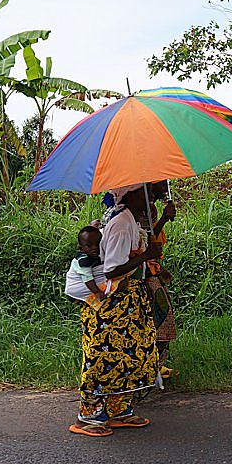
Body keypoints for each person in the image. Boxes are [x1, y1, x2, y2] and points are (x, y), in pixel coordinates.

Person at [68, 185, 163, 437]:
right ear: (130, 194)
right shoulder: (121, 224)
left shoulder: (129, 219)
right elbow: (111, 270)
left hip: (127, 303)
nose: (152, 196)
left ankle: (119, 410)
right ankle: (88, 417)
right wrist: (145, 257)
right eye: (147, 191)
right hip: (111, 306)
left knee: (128, 356)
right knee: (102, 359)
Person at [140, 181, 178, 379]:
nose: (165, 189)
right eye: (161, 185)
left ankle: (155, 365)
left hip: (151, 270)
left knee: (160, 318)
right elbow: (146, 242)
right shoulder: (142, 209)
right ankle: (151, 367)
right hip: (143, 273)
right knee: (161, 317)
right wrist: (163, 218)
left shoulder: (150, 208)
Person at [64, 226, 106, 309]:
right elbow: (87, 278)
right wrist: (97, 292)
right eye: (89, 246)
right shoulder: (83, 260)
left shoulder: (97, 253)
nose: (94, 247)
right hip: (75, 292)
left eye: (98, 243)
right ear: (81, 248)